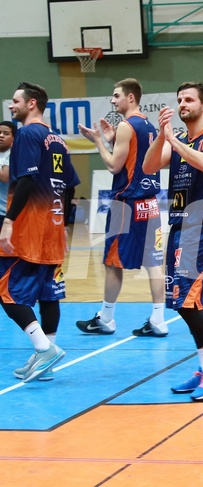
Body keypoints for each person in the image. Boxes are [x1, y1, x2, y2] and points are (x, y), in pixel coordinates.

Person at [143, 81, 203, 401]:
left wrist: (174, 142)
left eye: (189, 100)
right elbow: (149, 166)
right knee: (187, 300)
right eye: (179, 99)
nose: (182, 104)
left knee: (186, 299)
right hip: (180, 225)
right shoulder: (178, 137)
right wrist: (162, 136)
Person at [1, 82, 80, 382]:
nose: (11, 106)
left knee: (6, 292)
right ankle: (45, 357)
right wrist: (66, 227)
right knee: (48, 294)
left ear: (31, 103)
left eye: (15, 101)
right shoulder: (57, 140)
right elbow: (70, 186)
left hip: (31, 228)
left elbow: (27, 182)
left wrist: (9, 221)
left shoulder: (27, 134)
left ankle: (43, 347)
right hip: (54, 228)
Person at [76, 78, 166, 337]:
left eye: (116, 96)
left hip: (127, 204)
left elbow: (115, 166)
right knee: (154, 263)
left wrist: (98, 142)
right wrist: (112, 139)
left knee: (113, 262)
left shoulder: (127, 126)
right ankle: (159, 320)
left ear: (131, 98)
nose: (113, 100)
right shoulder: (148, 126)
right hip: (150, 203)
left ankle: (106, 318)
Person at [0, 120, 17, 228]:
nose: (1, 135)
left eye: (6, 133)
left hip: (3, 212)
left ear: (13, 138)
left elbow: (5, 177)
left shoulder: (12, 154)